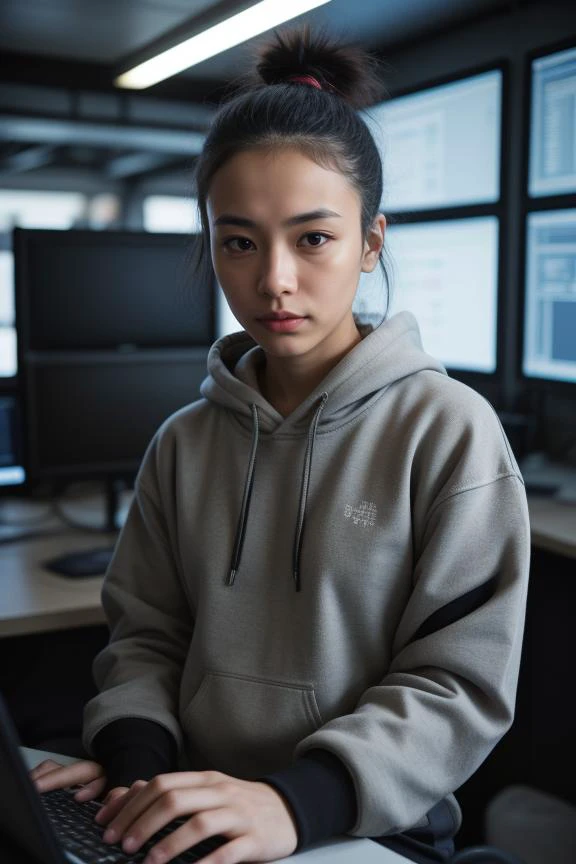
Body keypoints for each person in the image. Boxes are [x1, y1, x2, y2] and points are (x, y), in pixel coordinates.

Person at [31, 26, 531, 864]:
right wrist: (130, 775)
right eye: (239, 242)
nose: (274, 280)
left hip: (362, 823)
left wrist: (292, 805)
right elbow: (145, 640)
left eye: (314, 237)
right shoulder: (184, 444)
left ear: (372, 241)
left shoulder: (448, 432)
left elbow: (459, 686)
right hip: (189, 810)